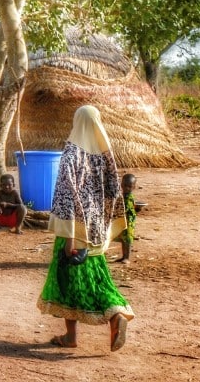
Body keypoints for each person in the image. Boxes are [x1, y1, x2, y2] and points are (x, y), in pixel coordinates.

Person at [38, 104, 134, 351]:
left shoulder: (71, 154)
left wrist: (69, 238)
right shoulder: (105, 156)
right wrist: (109, 228)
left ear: (76, 121)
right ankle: (116, 314)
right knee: (98, 279)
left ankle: (73, 336)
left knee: (67, 284)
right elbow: (114, 193)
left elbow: (66, 197)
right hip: (96, 231)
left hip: (75, 233)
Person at [115, 173, 137, 263]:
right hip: (123, 221)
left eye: (129, 186)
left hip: (129, 222)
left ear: (134, 187)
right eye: (125, 185)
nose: (127, 188)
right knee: (123, 239)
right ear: (121, 185)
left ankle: (127, 257)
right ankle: (124, 256)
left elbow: (127, 208)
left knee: (127, 240)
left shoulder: (129, 197)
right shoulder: (123, 196)